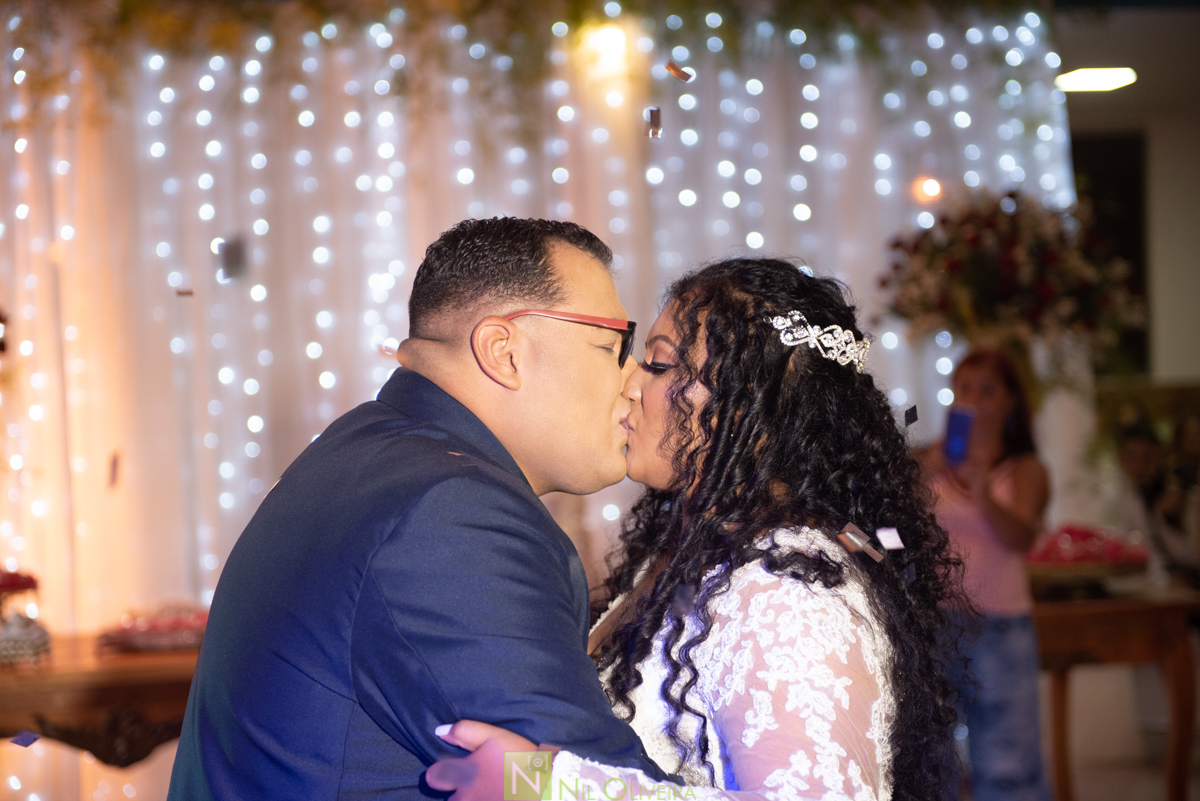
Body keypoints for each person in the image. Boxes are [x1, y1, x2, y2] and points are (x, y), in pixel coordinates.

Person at [428, 258, 965, 801]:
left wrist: (548, 785)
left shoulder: (782, 590)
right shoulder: (696, 553)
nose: (629, 383)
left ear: (748, 404)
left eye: (660, 365)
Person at [168, 218, 669, 798]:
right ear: (503, 351)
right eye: (612, 347)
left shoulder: (364, 450)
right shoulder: (452, 513)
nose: (634, 382)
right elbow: (595, 779)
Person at [920, 349, 1051, 801]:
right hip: (935, 622)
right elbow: (892, 528)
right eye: (965, 388)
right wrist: (923, 472)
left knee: (1008, 760)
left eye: (987, 390)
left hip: (1000, 628)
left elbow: (1022, 537)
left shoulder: (1027, 469)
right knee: (930, 759)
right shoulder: (932, 460)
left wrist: (984, 494)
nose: (973, 399)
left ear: (1010, 402)